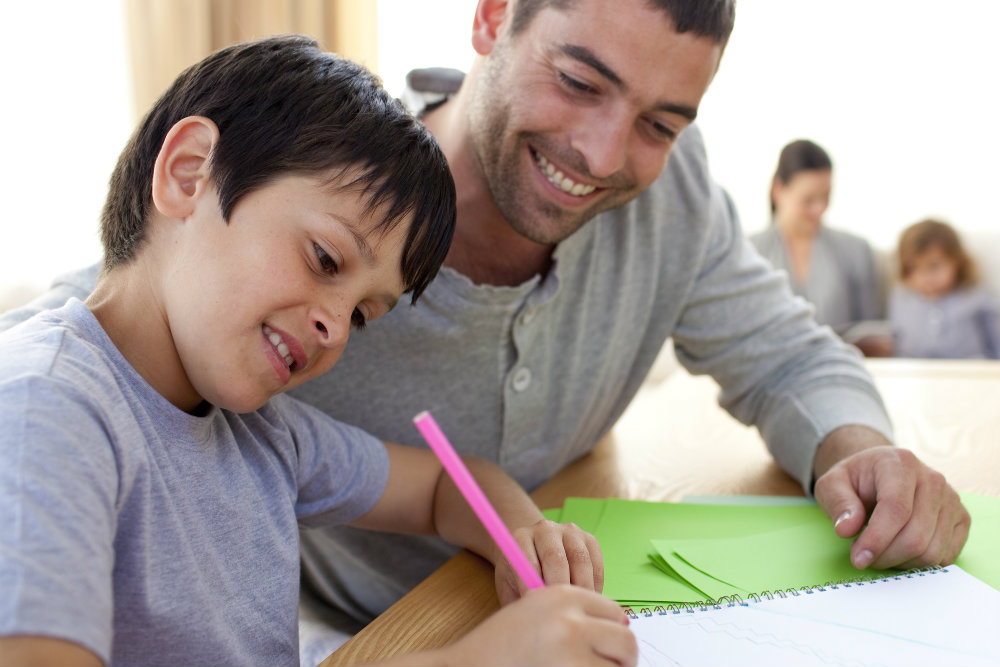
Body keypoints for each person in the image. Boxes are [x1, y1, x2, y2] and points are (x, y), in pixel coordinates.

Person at [1, 0, 970, 646]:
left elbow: (787, 353)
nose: (601, 151)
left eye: (659, 122)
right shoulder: (90, 388)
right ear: (492, 16)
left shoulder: (273, 424)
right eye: (580, 81)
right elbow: (109, 320)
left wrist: (858, 449)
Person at [0, 36, 638, 667]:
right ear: (189, 172)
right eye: (325, 259)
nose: (336, 328)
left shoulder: (264, 437)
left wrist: (524, 536)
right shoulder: (45, 411)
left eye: (362, 315)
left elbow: (448, 482)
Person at [749, 139, 890, 356]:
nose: (820, 208)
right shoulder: (747, 251)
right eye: (808, 200)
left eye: (826, 196)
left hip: (840, 371)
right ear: (778, 190)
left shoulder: (856, 250)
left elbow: (873, 328)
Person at [890, 218, 1000, 359]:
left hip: (971, 375)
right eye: (912, 269)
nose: (924, 277)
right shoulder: (901, 298)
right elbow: (896, 343)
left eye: (933, 266)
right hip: (915, 376)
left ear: (957, 262)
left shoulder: (978, 298)